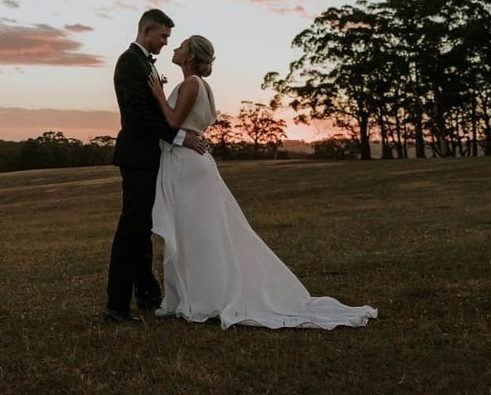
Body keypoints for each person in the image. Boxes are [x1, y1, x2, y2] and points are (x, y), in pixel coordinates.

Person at [148, 35, 378, 329]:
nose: (175, 49)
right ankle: (196, 292)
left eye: (180, 46)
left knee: (199, 232)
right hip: (192, 162)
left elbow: (173, 122)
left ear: (190, 56)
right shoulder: (201, 86)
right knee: (202, 232)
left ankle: (206, 295)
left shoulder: (192, 84)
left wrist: (158, 94)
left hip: (188, 164)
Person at [102, 9, 207, 323]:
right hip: (137, 157)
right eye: (162, 36)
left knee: (143, 229)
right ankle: (115, 307)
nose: (165, 42)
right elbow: (136, 117)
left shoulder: (144, 62)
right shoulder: (129, 62)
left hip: (151, 157)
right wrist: (179, 138)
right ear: (147, 31)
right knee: (131, 230)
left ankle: (147, 296)